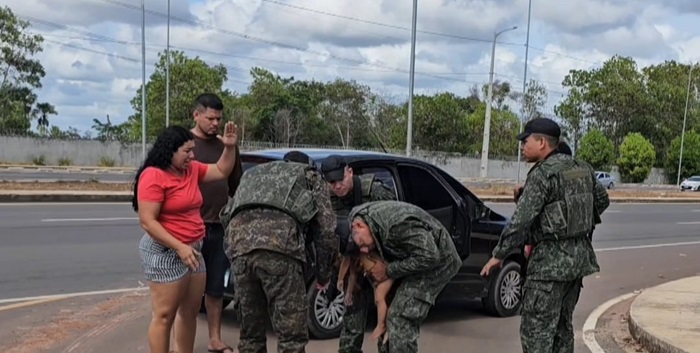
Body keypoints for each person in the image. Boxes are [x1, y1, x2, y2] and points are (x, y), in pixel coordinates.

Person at [480, 118, 610, 353]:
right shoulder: (582, 167)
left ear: (541, 143)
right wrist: (574, 223)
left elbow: (521, 221)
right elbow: (602, 200)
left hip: (548, 267)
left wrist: (498, 255)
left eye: (525, 141)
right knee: (562, 329)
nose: (522, 146)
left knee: (536, 333)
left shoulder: (541, 175)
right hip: (577, 263)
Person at [133, 122, 239, 353]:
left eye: (193, 150)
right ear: (169, 151)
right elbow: (147, 221)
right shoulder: (153, 175)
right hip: (166, 251)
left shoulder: (191, 170)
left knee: (189, 312)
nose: (192, 155)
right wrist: (179, 247)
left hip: (193, 250)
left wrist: (229, 148)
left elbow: (221, 170)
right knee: (164, 315)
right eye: (187, 151)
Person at [220, 150, 338, 353]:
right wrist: (323, 274)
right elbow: (327, 230)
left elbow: (226, 215)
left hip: (241, 251)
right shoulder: (310, 175)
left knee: (250, 337)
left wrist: (238, 248)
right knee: (291, 338)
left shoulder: (254, 174)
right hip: (280, 252)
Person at [347, 200, 462, 353]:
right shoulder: (357, 218)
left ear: (360, 226)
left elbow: (429, 256)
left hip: (439, 262)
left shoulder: (396, 227)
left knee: (400, 316)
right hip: (410, 257)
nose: (365, 250)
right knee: (387, 308)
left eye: (363, 244)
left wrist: (389, 270)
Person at [320, 154, 396, 353]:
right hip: (353, 265)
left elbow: (395, 229)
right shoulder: (328, 200)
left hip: (383, 264)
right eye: (332, 182)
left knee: (388, 324)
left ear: (350, 172)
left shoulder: (376, 191)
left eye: (340, 179)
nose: (337, 186)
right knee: (351, 323)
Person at [187, 93, 243, 353]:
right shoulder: (184, 145)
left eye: (219, 119)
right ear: (196, 115)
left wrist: (231, 147)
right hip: (189, 229)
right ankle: (180, 343)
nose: (215, 124)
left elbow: (236, 185)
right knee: (184, 291)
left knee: (215, 289)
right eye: (210, 118)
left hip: (218, 228)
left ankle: (215, 339)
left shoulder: (226, 146)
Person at [336, 249, 394, 343]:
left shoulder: (361, 248)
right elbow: (352, 275)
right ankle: (384, 327)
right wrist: (349, 293)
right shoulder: (355, 258)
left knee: (379, 297)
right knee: (379, 300)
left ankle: (381, 325)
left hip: (386, 277)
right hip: (377, 281)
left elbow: (345, 262)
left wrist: (340, 278)